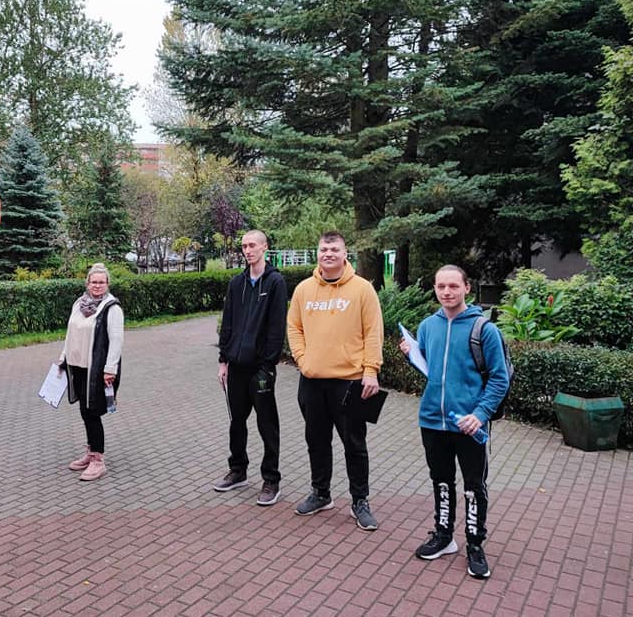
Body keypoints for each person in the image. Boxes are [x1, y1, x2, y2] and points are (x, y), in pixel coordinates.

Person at [399, 264, 509, 580]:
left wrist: (480, 415)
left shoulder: (484, 329)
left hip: (469, 423)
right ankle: (444, 536)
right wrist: (410, 354)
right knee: (441, 481)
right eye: (441, 286)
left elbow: (499, 379)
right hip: (432, 420)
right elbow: (431, 370)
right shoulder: (427, 326)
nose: (447, 292)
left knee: (474, 486)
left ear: (466, 288)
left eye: (453, 286)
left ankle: (475, 544)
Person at [287, 231, 383, 530]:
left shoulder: (362, 289)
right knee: (316, 441)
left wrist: (371, 370)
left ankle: (360, 500)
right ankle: (321, 493)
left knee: (354, 444)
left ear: (345, 254)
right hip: (312, 381)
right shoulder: (304, 290)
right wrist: (303, 360)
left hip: (350, 382)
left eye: (334, 249)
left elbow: (373, 332)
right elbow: (294, 327)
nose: (328, 254)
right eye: (323, 249)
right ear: (317, 253)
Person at [212, 230, 288, 506]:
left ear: (264, 247)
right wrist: (224, 360)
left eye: (252, 245)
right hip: (236, 367)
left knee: (267, 424)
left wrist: (268, 365)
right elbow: (228, 322)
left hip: (260, 369)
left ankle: (271, 479)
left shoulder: (276, 282)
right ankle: (238, 470)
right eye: (244, 246)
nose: (248, 250)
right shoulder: (237, 283)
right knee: (237, 421)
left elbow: (277, 328)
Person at [58, 263, 124, 481]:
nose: (97, 286)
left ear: (107, 284)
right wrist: (63, 358)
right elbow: (70, 334)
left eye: (101, 282)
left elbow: (116, 341)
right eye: (93, 282)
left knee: (93, 412)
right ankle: (90, 451)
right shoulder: (79, 304)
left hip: (97, 369)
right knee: (85, 411)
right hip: (77, 366)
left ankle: (98, 460)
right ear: (87, 283)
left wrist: (110, 369)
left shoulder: (112, 308)